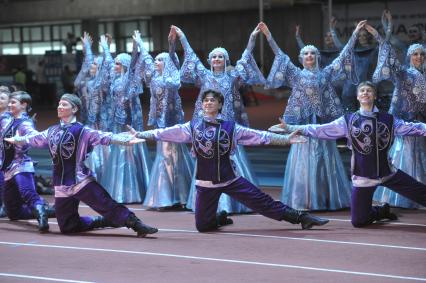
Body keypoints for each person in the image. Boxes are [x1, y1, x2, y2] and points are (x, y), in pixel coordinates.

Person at [129, 89, 329, 232]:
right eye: (205, 100)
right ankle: (220, 218)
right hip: (204, 184)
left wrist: (285, 139)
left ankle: (302, 218)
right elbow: (165, 132)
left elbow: (259, 136)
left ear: (220, 105)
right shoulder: (192, 127)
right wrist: (141, 134)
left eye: (212, 100)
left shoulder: (231, 127)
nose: (208, 103)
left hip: (230, 179)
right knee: (202, 227)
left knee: (264, 203)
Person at [270, 81, 426, 227]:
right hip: (363, 177)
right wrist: (291, 128)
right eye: (362, 91)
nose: (365, 93)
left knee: (421, 193)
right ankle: (381, 211)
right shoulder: (348, 121)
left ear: (375, 96)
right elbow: (321, 129)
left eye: (369, 91)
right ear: (358, 96)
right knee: (358, 221)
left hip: (388, 173)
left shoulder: (389, 120)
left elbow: (413, 127)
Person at [5, 94, 158, 237]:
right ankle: (102, 221)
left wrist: (124, 139)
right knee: (67, 227)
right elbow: (33, 138)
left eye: (64, 105)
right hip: (61, 184)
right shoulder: (51, 131)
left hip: (80, 180)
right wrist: (17, 139)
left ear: (74, 109)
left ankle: (136, 224)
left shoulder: (82, 130)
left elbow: (104, 136)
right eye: (59, 104)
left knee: (106, 204)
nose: (59, 107)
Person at [260, 21, 365, 211]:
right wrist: (268, 36)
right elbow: (280, 56)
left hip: (322, 125)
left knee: (325, 159)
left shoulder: (326, 73)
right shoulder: (296, 74)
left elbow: (343, 56)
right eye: (306, 53)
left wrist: (355, 33)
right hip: (302, 125)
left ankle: (326, 197)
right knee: (303, 160)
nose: (309, 56)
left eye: (313, 53)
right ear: (301, 58)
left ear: (318, 57)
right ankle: (304, 199)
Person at [171, 24, 265, 214]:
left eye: (220, 56)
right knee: (208, 161)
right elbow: (190, 55)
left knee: (231, 161)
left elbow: (246, 58)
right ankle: (213, 203)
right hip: (207, 129)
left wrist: (252, 39)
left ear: (225, 60)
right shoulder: (204, 75)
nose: (217, 59)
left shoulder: (232, 76)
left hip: (227, 128)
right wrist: (181, 36)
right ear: (210, 61)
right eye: (214, 57)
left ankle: (238, 201)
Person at [365, 24, 426, 209]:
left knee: (420, 156)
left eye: (422, 55)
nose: (419, 57)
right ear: (409, 57)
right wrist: (378, 35)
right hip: (406, 122)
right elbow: (390, 56)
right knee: (404, 155)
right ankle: (402, 196)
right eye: (415, 54)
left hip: (421, 121)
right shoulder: (404, 73)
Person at [136, 30, 193, 209]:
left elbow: (173, 60)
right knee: (164, 156)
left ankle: (179, 196)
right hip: (161, 124)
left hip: (173, 122)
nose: (156, 62)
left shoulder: (172, 77)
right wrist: (140, 45)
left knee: (175, 156)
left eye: (160, 60)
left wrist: (171, 45)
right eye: (156, 60)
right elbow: (145, 61)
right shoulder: (153, 78)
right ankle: (166, 197)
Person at [99, 31, 152, 203]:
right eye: (115, 63)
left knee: (129, 151)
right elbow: (106, 64)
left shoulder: (130, 80)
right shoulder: (115, 80)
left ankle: (132, 191)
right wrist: (106, 47)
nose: (114, 65)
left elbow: (135, 61)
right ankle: (118, 189)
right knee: (118, 150)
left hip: (129, 122)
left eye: (117, 63)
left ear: (123, 65)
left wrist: (136, 45)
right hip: (117, 121)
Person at [0, 91, 54, 232]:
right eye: (10, 101)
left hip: (20, 166)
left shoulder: (25, 123)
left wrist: (23, 138)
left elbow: (33, 136)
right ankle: (51, 211)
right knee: (13, 212)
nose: (10, 104)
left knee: (28, 194)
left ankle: (42, 218)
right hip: (7, 169)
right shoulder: (8, 119)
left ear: (23, 105)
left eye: (13, 102)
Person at [0, 87, 11, 217]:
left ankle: (5, 206)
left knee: (3, 182)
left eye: (2, 98)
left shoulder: (8, 119)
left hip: (5, 155)